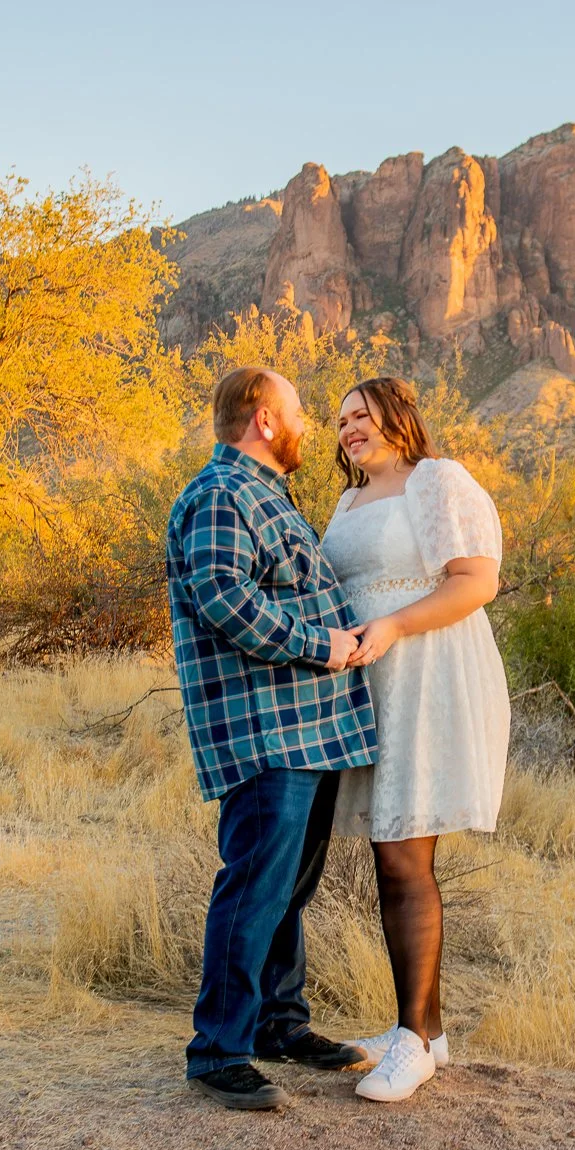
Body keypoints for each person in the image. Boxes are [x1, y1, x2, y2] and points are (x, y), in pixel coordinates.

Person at [165, 366, 378, 1111]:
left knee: (287, 890)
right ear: (263, 420)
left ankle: (279, 1024)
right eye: (296, 414)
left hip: (308, 731)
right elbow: (224, 596)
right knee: (254, 888)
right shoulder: (221, 495)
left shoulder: (263, 496)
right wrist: (321, 644)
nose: (308, 427)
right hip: (266, 732)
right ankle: (218, 1050)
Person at [319, 376, 509, 1104]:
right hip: (370, 686)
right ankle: (423, 1028)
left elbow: (475, 581)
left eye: (360, 414)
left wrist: (394, 625)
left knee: (404, 853)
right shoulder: (346, 500)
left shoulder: (436, 480)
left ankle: (415, 1042)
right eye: (338, 421)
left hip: (425, 675)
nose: (347, 428)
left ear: (398, 416)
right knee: (389, 853)